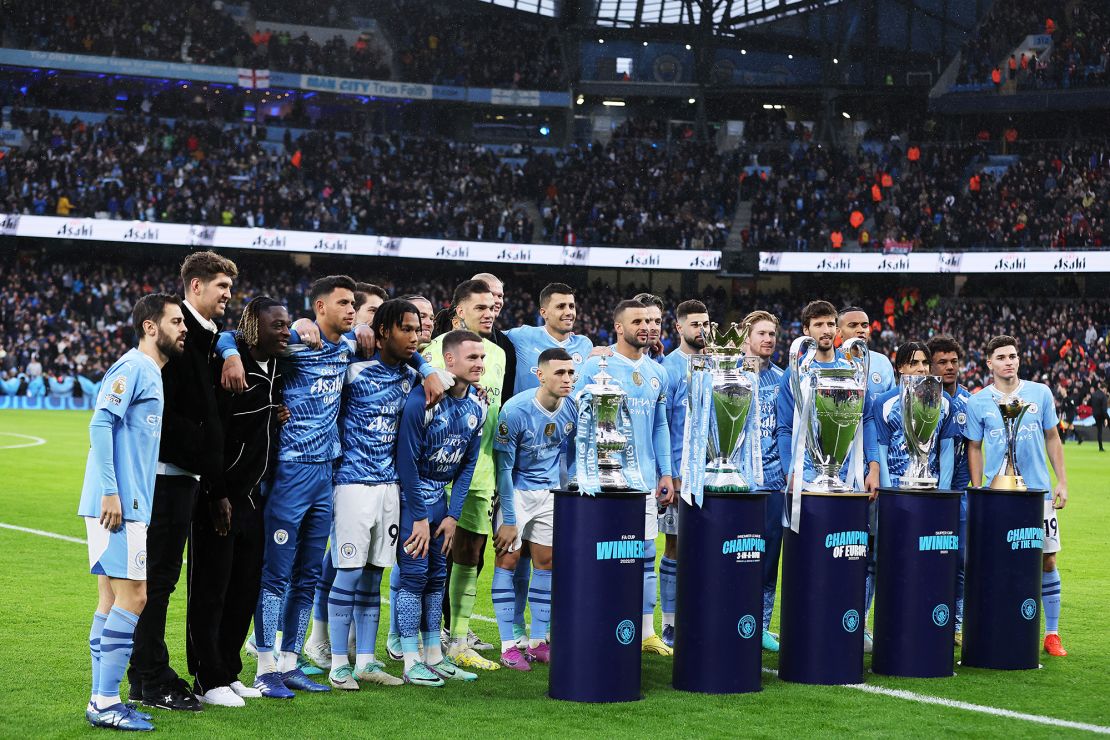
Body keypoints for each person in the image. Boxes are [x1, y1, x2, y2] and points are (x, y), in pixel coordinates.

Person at [130, 251, 236, 713]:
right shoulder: (176, 339)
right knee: (155, 582)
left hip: (184, 477)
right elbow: (161, 413)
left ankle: (149, 674)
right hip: (166, 478)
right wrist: (199, 446)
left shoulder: (205, 337)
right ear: (196, 287)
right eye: (222, 288)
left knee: (161, 581)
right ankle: (150, 678)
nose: (229, 297)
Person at [80, 294, 186, 731]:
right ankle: (106, 702)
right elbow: (100, 422)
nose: (183, 329)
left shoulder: (153, 374)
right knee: (135, 597)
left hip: (126, 504)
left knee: (110, 599)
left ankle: (101, 699)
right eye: (176, 321)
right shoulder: (134, 367)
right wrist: (111, 492)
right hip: (118, 507)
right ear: (149, 326)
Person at [186, 297, 289, 707]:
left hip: (254, 498)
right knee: (211, 589)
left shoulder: (278, 367)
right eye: (276, 326)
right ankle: (205, 679)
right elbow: (214, 433)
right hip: (221, 496)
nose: (285, 332)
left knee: (244, 589)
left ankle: (228, 672)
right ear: (253, 329)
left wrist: (273, 414)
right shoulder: (230, 365)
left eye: (286, 325)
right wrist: (217, 493)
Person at [323, 300, 424, 691]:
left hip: (390, 488)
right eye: (406, 329)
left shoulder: (412, 377)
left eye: (417, 329)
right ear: (383, 332)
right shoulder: (352, 372)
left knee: (373, 576)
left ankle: (365, 661)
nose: (414, 337)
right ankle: (337, 664)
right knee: (347, 575)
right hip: (351, 484)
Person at [776, 300, 880, 647]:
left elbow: (865, 420)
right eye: (818, 324)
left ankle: (848, 622)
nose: (825, 330)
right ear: (806, 331)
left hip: (847, 476)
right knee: (811, 552)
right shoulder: (795, 374)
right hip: (807, 478)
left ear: (838, 330)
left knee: (848, 552)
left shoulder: (852, 371)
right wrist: (792, 469)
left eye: (830, 324)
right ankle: (807, 623)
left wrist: (872, 466)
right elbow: (784, 428)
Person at [575, 299, 674, 656]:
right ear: (619, 327)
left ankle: (646, 631)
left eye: (653, 320)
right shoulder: (595, 368)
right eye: (638, 321)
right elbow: (579, 420)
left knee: (645, 553)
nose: (647, 326)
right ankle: (594, 621)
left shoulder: (657, 372)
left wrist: (666, 472)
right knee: (600, 554)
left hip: (643, 480)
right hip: (600, 481)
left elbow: (660, 425)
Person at [966, 335, 1069, 658]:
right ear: (989, 363)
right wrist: (977, 487)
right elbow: (974, 446)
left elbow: (1053, 438)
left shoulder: (1040, 394)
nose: (1009, 361)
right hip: (997, 496)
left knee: (1047, 559)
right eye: (1001, 357)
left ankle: (1051, 633)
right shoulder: (978, 402)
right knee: (996, 561)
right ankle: (996, 626)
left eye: (1013, 356)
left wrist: (1062, 482)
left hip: (1036, 492)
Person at [395, 330, 487, 686]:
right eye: (471, 358)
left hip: (441, 505)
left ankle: (434, 654)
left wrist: (452, 516)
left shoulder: (478, 406)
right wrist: (418, 515)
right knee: (414, 578)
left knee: (436, 579)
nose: (479, 364)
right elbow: (406, 462)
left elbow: (467, 467)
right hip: (411, 500)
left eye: (482, 358)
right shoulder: (424, 400)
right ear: (449, 361)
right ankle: (409, 659)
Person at [501, 282, 593, 641]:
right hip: (519, 463)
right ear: (544, 311)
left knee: (547, 557)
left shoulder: (584, 347)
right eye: (561, 306)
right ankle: (513, 634)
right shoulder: (522, 336)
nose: (568, 311)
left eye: (572, 305)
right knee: (513, 557)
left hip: (555, 475)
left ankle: (540, 634)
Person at [423, 280, 507, 671]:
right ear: (458, 311)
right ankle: (417, 637)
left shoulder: (498, 355)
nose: (490, 313)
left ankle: (458, 638)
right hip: (436, 469)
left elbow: (491, 412)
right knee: (428, 555)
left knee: (471, 554)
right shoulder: (433, 350)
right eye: (481, 307)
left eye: (493, 307)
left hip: (480, 465)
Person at [491, 348, 578, 669]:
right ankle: (507, 646)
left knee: (546, 563)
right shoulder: (515, 411)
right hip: (515, 493)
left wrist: (568, 490)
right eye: (559, 373)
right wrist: (510, 520)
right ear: (540, 375)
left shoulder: (574, 408)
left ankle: (539, 641)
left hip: (550, 493)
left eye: (570, 372)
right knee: (508, 560)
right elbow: (503, 470)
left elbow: (572, 453)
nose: (567, 379)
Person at [658, 299, 711, 648]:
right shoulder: (669, 368)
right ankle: (670, 623)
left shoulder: (718, 364)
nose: (702, 330)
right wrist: (672, 474)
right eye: (695, 324)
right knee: (675, 545)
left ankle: (701, 615)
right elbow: (664, 424)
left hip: (711, 474)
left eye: (706, 323)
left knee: (707, 545)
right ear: (678, 327)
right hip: (680, 475)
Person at [742, 310, 786, 652]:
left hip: (773, 482)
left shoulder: (784, 380)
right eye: (762, 333)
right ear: (746, 337)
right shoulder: (728, 375)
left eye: (772, 333)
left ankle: (761, 624)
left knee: (769, 558)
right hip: (736, 486)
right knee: (736, 554)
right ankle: (732, 616)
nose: (768, 339)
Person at [928, 334, 973, 643]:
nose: (949, 367)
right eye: (942, 362)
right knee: (928, 558)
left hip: (960, 494)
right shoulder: (921, 398)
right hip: (927, 493)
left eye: (954, 361)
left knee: (960, 560)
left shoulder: (971, 402)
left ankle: (956, 623)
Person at [875, 341, 956, 489]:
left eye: (925, 363)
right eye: (914, 363)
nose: (921, 369)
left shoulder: (944, 401)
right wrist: (887, 491)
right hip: (896, 485)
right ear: (900, 367)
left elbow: (946, 449)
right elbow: (882, 450)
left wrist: (943, 489)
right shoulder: (885, 402)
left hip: (931, 485)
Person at [837, 306, 896, 399]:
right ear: (838, 332)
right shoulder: (831, 360)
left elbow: (892, 404)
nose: (861, 330)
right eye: (853, 325)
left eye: (865, 325)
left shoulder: (883, 362)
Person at [1087, 381, 1108, 451]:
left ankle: (1100, 447)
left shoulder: (1094, 394)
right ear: (1104, 388)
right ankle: (1101, 448)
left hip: (1095, 415)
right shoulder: (1104, 396)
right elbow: (1104, 409)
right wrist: (1106, 418)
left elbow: (1088, 403)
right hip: (1102, 414)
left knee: (1099, 431)